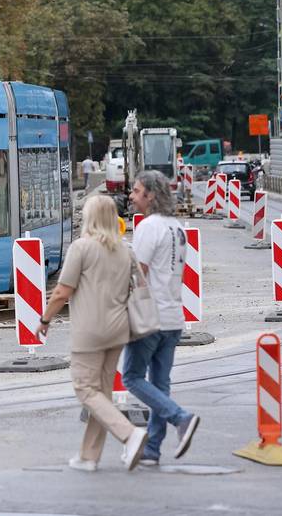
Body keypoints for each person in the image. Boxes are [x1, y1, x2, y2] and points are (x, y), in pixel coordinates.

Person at [37, 195, 149, 472]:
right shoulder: (126, 250)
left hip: (90, 331)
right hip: (119, 330)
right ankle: (89, 456)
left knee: (85, 389)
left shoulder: (81, 247)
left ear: (90, 218)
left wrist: (45, 319)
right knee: (102, 393)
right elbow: (142, 287)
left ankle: (129, 433)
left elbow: (63, 291)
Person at [123, 170, 200, 466]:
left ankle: (181, 418)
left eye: (137, 190)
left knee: (131, 377)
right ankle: (153, 450)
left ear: (151, 195)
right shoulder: (177, 228)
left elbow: (137, 272)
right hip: (173, 317)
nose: (132, 195)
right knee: (160, 384)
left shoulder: (148, 227)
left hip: (149, 317)